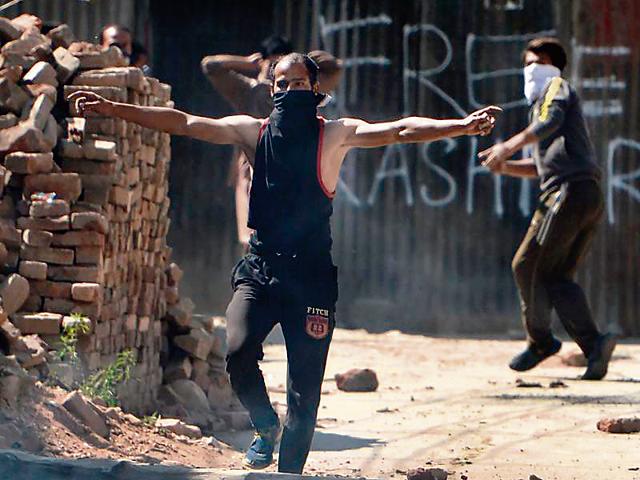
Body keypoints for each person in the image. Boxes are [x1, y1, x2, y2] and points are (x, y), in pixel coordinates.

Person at [69, 52, 500, 474]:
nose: (290, 90)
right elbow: (184, 123)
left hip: (310, 278)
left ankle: (288, 472)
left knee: (304, 395)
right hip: (260, 269)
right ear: (271, 88)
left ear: (315, 89)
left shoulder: (336, 134)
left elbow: (401, 130)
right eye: (282, 83)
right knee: (237, 353)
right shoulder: (251, 132)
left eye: (299, 83)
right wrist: (113, 108)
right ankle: (264, 424)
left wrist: (459, 127)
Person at [479, 37, 616, 381]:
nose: (529, 70)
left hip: (568, 194)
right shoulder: (539, 106)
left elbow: (549, 122)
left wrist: (508, 145)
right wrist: (505, 166)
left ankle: (545, 342)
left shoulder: (556, 89)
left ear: (552, 65)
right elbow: (542, 167)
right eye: (525, 63)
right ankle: (592, 345)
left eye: (536, 62)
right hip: (579, 194)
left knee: (532, 266)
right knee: (547, 273)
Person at [201, 36, 343, 248]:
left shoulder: (302, 91)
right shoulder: (250, 91)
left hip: (295, 172)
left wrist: (310, 63)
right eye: (274, 70)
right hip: (258, 171)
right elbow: (210, 66)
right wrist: (248, 63)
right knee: (253, 238)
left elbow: (335, 70)